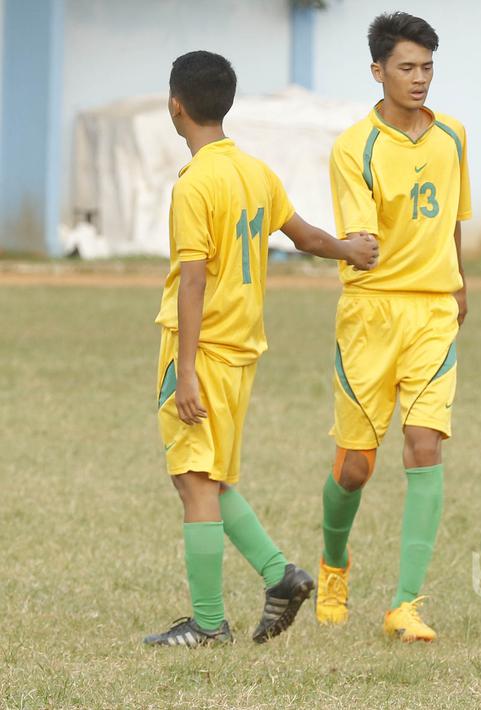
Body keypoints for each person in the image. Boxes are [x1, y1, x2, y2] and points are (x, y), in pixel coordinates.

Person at [145, 50, 379, 647]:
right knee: (210, 477)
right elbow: (302, 235)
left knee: (195, 479)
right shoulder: (254, 172)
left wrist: (188, 370)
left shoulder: (196, 183)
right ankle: (281, 577)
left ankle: (207, 622)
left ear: (176, 106)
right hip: (243, 349)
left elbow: (193, 278)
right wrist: (347, 250)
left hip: (204, 350)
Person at [314, 12, 470, 645]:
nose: (420, 79)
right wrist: (347, 245)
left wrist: (460, 284)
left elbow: (455, 217)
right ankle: (332, 567)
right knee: (355, 466)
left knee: (426, 446)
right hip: (371, 314)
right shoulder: (355, 147)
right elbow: (360, 242)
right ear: (377, 71)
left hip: (433, 311)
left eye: (428, 67)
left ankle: (405, 603)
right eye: (407, 67)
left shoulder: (454, 136)